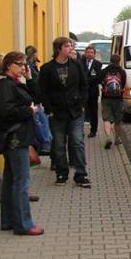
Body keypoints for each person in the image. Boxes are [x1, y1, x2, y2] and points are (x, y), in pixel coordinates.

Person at [0, 51, 44, 235]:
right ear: (9, 65)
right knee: (21, 182)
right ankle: (23, 224)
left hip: (18, 137)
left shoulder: (16, 84)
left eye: (25, 64)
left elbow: (36, 97)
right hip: (16, 138)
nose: (24, 67)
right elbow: (7, 111)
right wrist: (28, 111)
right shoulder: (5, 85)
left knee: (10, 180)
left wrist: (30, 79)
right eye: (20, 64)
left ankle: (8, 221)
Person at [39, 37, 91, 188]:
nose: (70, 48)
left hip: (75, 111)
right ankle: (61, 173)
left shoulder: (76, 65)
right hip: (57, 112)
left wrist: (82, 104)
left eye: (70, 46)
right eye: (67, 46)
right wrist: (49, 109)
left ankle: (81, 174)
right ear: (59, 49)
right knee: (59, 144)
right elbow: (44, 91)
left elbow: (84, 86)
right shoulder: (47, 68)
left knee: (77, 142)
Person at [25, 46, 52, 156]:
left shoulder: (33, 66)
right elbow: (34, 83)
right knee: (40, 121)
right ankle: (46, 143)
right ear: (34, 54)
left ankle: (47, 143)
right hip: (33, 98)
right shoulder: (30, 67)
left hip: (36, 97)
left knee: (41, 120)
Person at [99, 54, 126, 149]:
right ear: (119, 61)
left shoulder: (104, 71)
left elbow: (99, 81)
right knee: (117, 120)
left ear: (110, 61)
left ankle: (108, 137)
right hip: (118, 99)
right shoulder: (122, 71)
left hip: (106, 98)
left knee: (106, 119)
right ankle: (117, 139)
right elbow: (123, 85)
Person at [81, 46, 103, 138]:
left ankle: (93, 130)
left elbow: (98, 78)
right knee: (82, 111)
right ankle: (80, 131)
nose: (89, 54)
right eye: (88, 52)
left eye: (91, 52)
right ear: (85, 53)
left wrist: (87, 81)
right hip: (82, 92)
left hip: (93, 91)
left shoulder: (98, 64)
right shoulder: (80, 63)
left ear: (94, 54)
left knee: (93, 112)